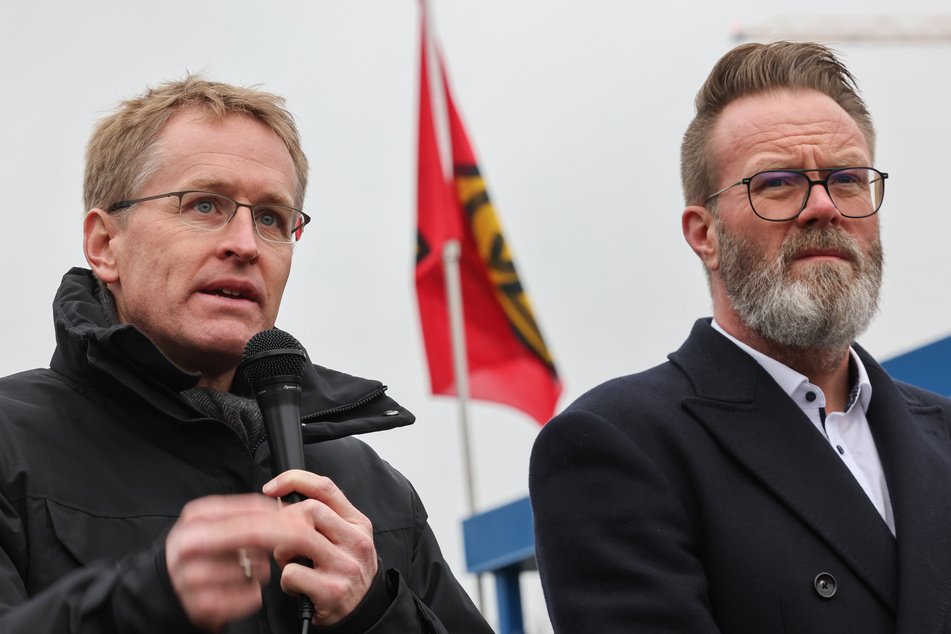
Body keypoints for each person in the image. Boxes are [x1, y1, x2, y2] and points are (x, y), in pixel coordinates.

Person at [0, 76, 493, 634]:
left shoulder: (375, 491)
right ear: (104, 245)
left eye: (271, 219)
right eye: (204, 205)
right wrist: (141, 602)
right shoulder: (9, 443)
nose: (246, 244)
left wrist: (377, 614)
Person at [530, 41, 951, 633]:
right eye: (777, 183)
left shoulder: (945, 433)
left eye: (849, 178)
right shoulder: (617, 444)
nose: (824, 207)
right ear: (704, 234)